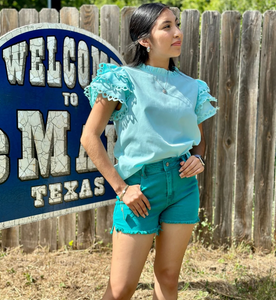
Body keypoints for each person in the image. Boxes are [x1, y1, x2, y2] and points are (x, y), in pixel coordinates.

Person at [81, 3, 217, 299]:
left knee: (168, 279)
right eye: (166, 27)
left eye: (176, 24)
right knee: (121, 289)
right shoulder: (121, 80)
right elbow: (89, 137)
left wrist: (199, 158)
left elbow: (198, 140)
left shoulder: (192, 86)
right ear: (144, 39)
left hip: (182, 188)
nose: (178, 32)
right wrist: (121, 188)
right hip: (139, 190)